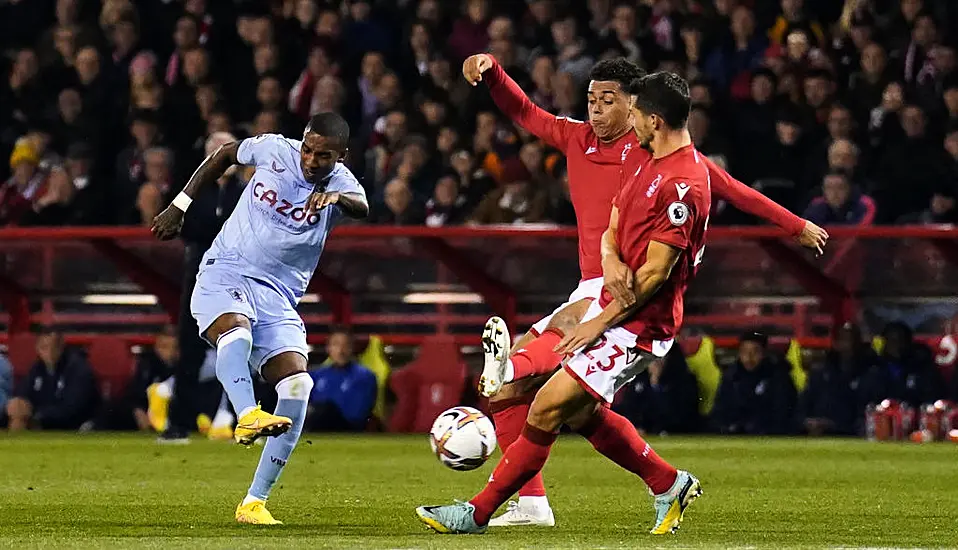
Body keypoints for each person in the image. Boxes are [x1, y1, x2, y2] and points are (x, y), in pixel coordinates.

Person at [458, 53, 828, 526]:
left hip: (628, 291)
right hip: (595, 279)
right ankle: (542, 502)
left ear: (634, 105)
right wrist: (493, 71)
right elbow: (526, 112)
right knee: (568, 409)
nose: (595, 109)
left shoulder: (658, 154)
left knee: (529, 372)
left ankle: (510, 366)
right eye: (590, 99)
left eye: (608, 101)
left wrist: (795, 225)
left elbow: (733, 188)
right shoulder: (578, 139)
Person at [416, 71, 709, 536]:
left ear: (653, 119)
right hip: (609, 298)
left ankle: (477, 513)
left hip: (641, 324)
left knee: (546, 407)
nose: (622, 119)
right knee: (574, 411)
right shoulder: (644, 160)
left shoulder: (684, 184)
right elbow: (612, 223)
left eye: (631, 111)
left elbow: (654, 276)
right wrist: (610, 258)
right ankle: (667, 482)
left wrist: (599, 323)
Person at [151, 112, 368, 525]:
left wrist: (337, 199)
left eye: (323, 155)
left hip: (279, 296)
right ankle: (247, 412)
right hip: (226, 270)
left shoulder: (343, 185)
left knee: (299, 383)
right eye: (307, 148)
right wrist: (180, 205)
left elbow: (363, 206)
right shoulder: (274, 149)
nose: (310, 160)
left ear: (341, 156)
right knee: (236, 332)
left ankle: (254, 501)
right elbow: (223, 156)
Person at [160, 131, 246, 443]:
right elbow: (185, 228)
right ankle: (179, 422)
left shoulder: (247, 192)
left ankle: (250, 418)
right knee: (190, 350)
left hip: (238, 277)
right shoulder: (192, 193)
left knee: (247, 346)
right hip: (200, 276)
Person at [5, 328, 98, 431]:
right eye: (44, 347)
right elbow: (23, 391)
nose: (49, 352)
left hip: (75, 424)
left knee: (26, 420)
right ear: (37, 348)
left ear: (62, 347)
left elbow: (72, 409)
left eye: (54, 347)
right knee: (18, 413)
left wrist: (36, 414)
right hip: (43, 419)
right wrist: (18, 403)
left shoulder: (78, 368)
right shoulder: (37, 368)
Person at [710, 332, 798, 435]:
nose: (749, 357)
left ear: (764, 353)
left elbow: (782, 413)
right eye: (744, 352)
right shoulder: (731, 376)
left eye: (755, 352)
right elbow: (720, 409)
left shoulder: (778, 377)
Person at [306, 329, 377, 432]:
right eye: (336, 345)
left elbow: (358, 414)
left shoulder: (364, 376)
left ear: (353, 348)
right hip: (316, 424)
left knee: (324, 409)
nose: (341, 350)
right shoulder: (316, 375)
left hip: (347, 426)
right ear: (328, 348)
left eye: (346, 345)